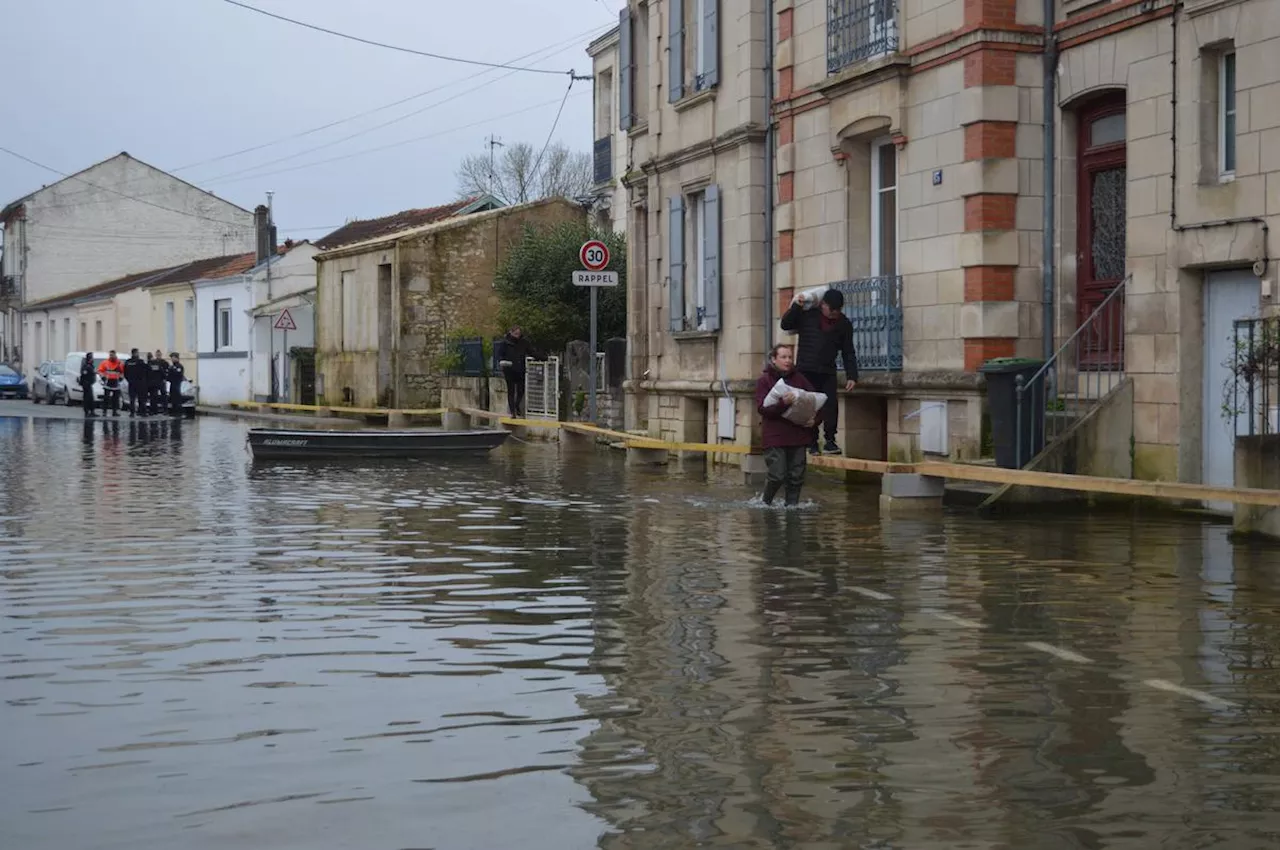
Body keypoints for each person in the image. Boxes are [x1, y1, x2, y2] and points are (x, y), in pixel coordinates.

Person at [780, 288, 859, 456]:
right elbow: (785, 324)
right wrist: (796, 307)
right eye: (831, 311)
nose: (834, 315)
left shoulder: (844, 324)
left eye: (837, 312)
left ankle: (830, 441)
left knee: (830, 405)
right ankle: (812, 441)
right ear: (823, 305)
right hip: (805, 369)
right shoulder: (808, 315)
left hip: (827, 370)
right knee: (810, 406)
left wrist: (852, 375)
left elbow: (848, 351)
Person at [755, 343, 819, 507]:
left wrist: (815, 419)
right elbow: (762, 408)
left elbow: (815, 401)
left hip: (798, 435)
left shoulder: (800, 378)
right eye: (783, 357)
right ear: (774, 360)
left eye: (790, 357)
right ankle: (765, 503)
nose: (788, 361)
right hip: (775, 437)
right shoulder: (764, 380)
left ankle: (792, 506)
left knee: (797, 476)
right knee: (777, 474)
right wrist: (783, 403)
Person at [499, 326, 533, 417]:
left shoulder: (523, 342)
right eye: (516, 334)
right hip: (509, 370)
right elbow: (500, 355)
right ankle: (513, 412)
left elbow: (531, 352)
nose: (517, 336)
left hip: (520, 370)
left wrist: (543, 358)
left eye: (519, 334)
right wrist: (503, 363)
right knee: (511, 391)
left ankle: (517, 405)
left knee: (521, 390)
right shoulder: (505, 343)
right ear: (511, 332)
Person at [96, 350, 125, 417]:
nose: (111, 356)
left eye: (112, 355)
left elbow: (123, 372)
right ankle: (104, 412)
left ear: (115, 355)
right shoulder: (105, 363)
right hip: (107, 383)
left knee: (115, 399)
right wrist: (103, 378)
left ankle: (114, 412)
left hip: (116, 383)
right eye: (110, 355)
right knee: (106, 398)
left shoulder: (119, 363)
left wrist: (120, 378)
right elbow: (100, 371)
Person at [123, 348, 147, 418]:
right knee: (141, 398)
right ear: (135, 353)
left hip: (131, 382)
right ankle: (142, 412)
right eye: (137, 353)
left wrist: (129, 379)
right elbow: (144, 372)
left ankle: (132, 413)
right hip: (139, 383)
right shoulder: (140, 362)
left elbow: (125, 373)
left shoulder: (128, 362)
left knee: (132, 398)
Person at [148, 350, 167, 416]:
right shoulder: (152, 362)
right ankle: (154, 410)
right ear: (155, 355)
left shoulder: (164, 362)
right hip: (154, 382)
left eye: (159, 354)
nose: (158, 355)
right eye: (157, 354)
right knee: (154, 397)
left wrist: (165, 379)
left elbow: (166, 372)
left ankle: (165, 410)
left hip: (161, 381)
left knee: (164, 396)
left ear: (161, 355)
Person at [78, 353, 97, 418]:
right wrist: (87, 382)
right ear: (89, 358)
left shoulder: (91, 365)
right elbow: (84, 374)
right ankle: (87, 411)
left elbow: (93, 374)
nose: (93, 359)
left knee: (91, 398)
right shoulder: (86, 366)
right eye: (92, 358)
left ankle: (92, 411)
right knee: (87, 398)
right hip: (86, 384)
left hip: (90, 384)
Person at [167, 352, 186, 417]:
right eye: (171, 358)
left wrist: (173, 370)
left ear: (176, 358)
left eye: (173, 358)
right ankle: (174, 414)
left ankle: (178, 414)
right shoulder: (171, 367)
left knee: (177, 400)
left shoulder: (179, 366)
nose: (172, 359)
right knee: (173, 400)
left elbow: (178, 375)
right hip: (172, 385)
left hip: (177, 384)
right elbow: (168, 377)